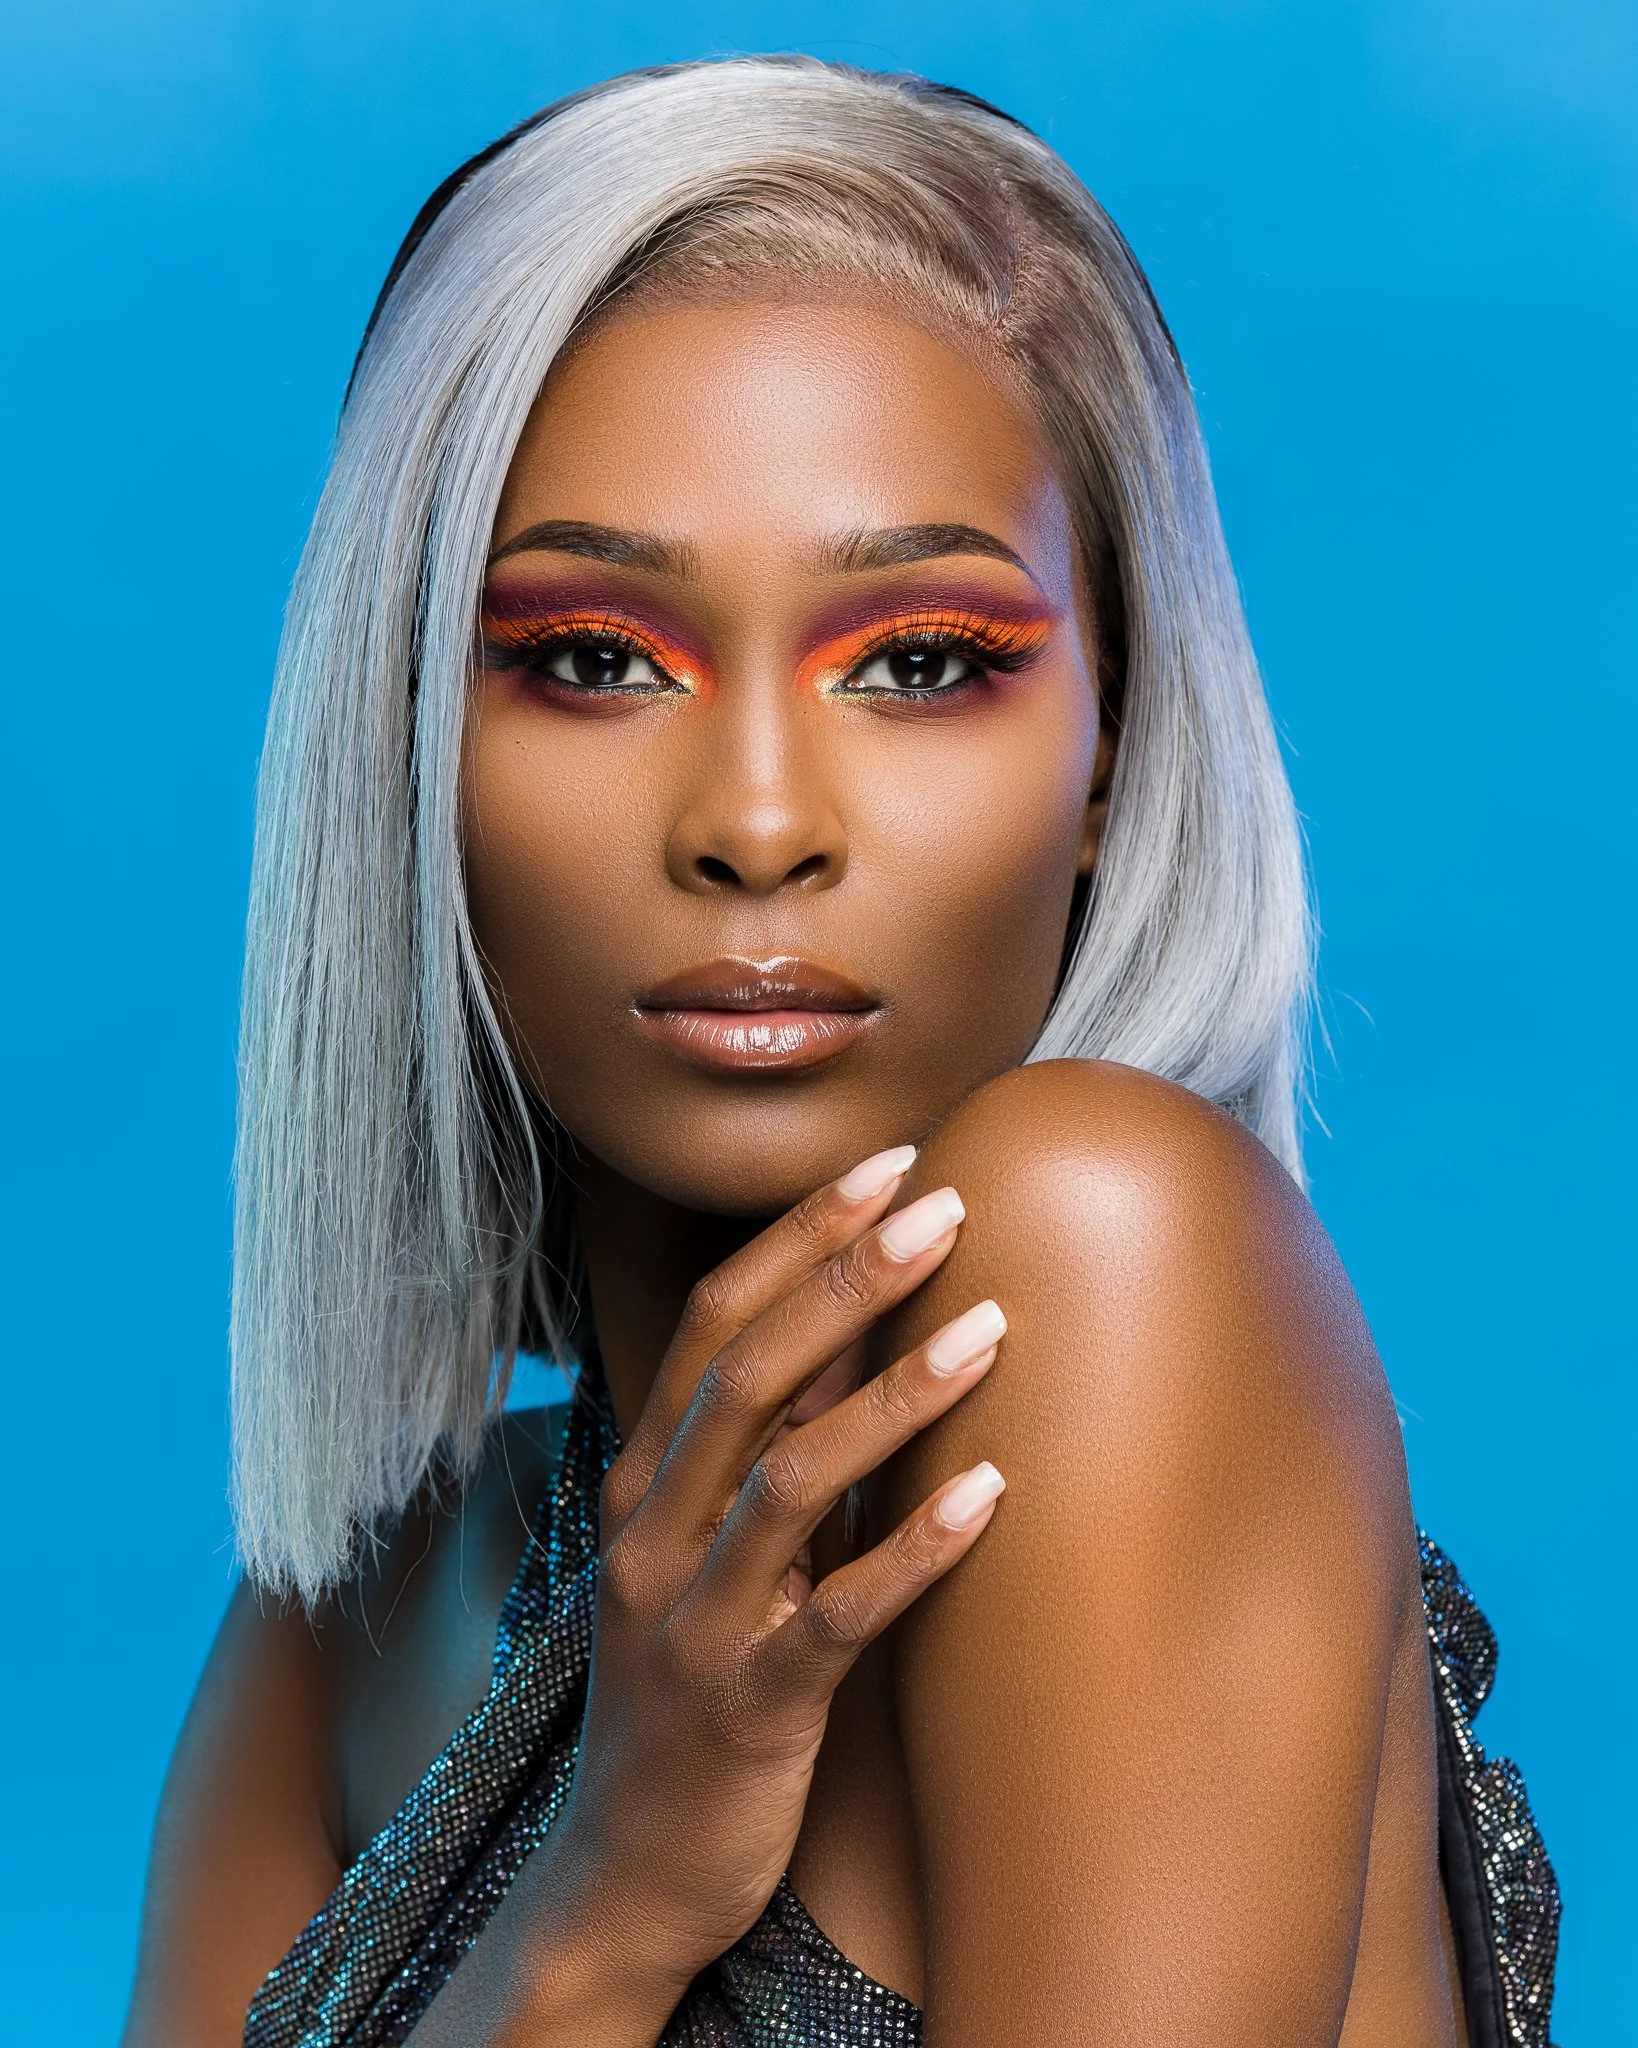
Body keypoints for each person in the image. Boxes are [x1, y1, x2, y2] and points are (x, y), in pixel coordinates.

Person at [121, 56, 1559, 2048]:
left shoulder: (1103, 1259)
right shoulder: (351, 1615)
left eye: (922, 663)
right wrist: (607, 1884)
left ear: (1105, 748)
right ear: (418, 753)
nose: (759, 818)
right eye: (593, 659)